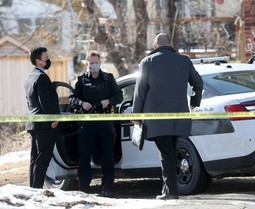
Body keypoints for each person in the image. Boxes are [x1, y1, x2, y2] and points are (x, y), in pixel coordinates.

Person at [132, 33, 203, 200]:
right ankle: (170, 190)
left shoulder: (147, 62)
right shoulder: (184, 60)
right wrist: (194, 101)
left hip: (157, 120)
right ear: (170, 44)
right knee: (170, 152)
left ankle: (170, 191)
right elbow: (198, 83)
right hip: (179, 118)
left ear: (155, 45)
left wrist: (136, 115)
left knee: (166, 154)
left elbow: (139, 91)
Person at [69, 51, 123, 196]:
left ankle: (107, 188)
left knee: (107, 156)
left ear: (100, 62)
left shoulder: (108, 78)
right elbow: (72, 99)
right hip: (87, 123)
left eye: (96, 62)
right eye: (91, 63)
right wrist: (82, 103)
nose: (94, 65)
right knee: (85, 156)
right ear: (87, 64)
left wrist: (109, 101)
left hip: (105, 121)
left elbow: (119, 96)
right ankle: (84, 189)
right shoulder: (81, 80)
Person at [25, 47, 60, 188]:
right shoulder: (42, 77)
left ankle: (32, 190)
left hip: (34, 122)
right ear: (39, 61)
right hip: (45, 125)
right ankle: (37, 189)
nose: (48, 60)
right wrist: (54, 118)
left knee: (35, 159)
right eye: (46, 58)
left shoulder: (30, 77)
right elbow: (45, 101)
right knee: (43, 159)